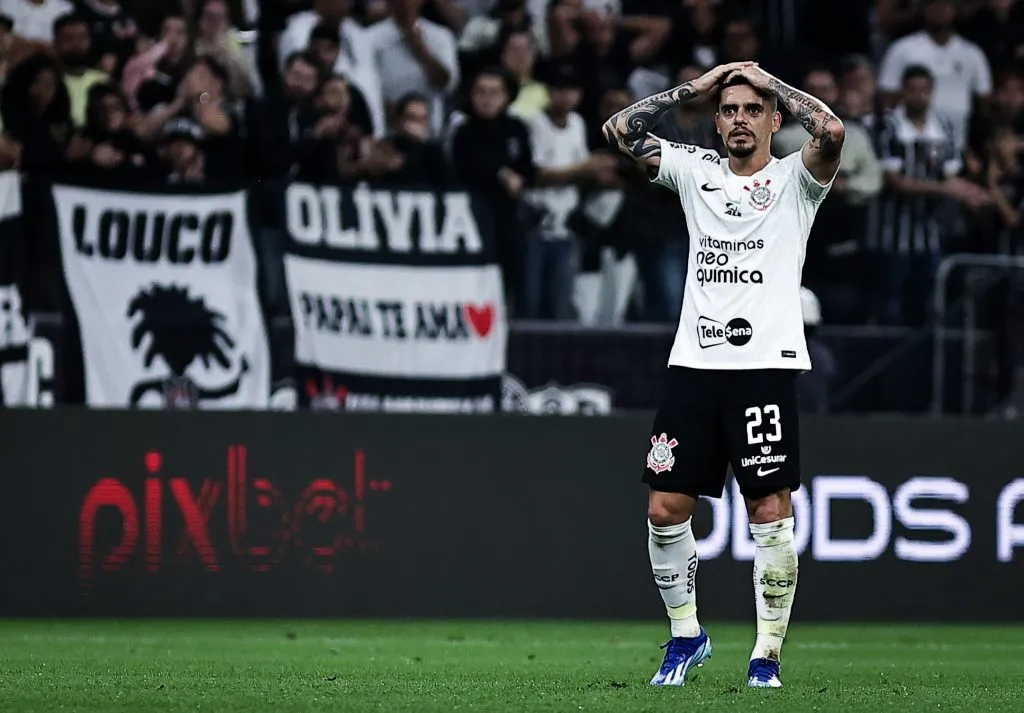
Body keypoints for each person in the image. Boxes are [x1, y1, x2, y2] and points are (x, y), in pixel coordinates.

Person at [602, 61, 845, 688]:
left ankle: (766, 655)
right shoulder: (695, 169)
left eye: (752, 109)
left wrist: (768, 80)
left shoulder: (797, 180)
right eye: (730, 110)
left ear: (773, 120)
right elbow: (620, 130)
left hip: (763, 367)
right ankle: (686, 636)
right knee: (663, 506)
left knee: (768, 508)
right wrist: (695, 87)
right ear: (717, 120)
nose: (740, 119)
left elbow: (833, 131)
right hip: (694, 364)